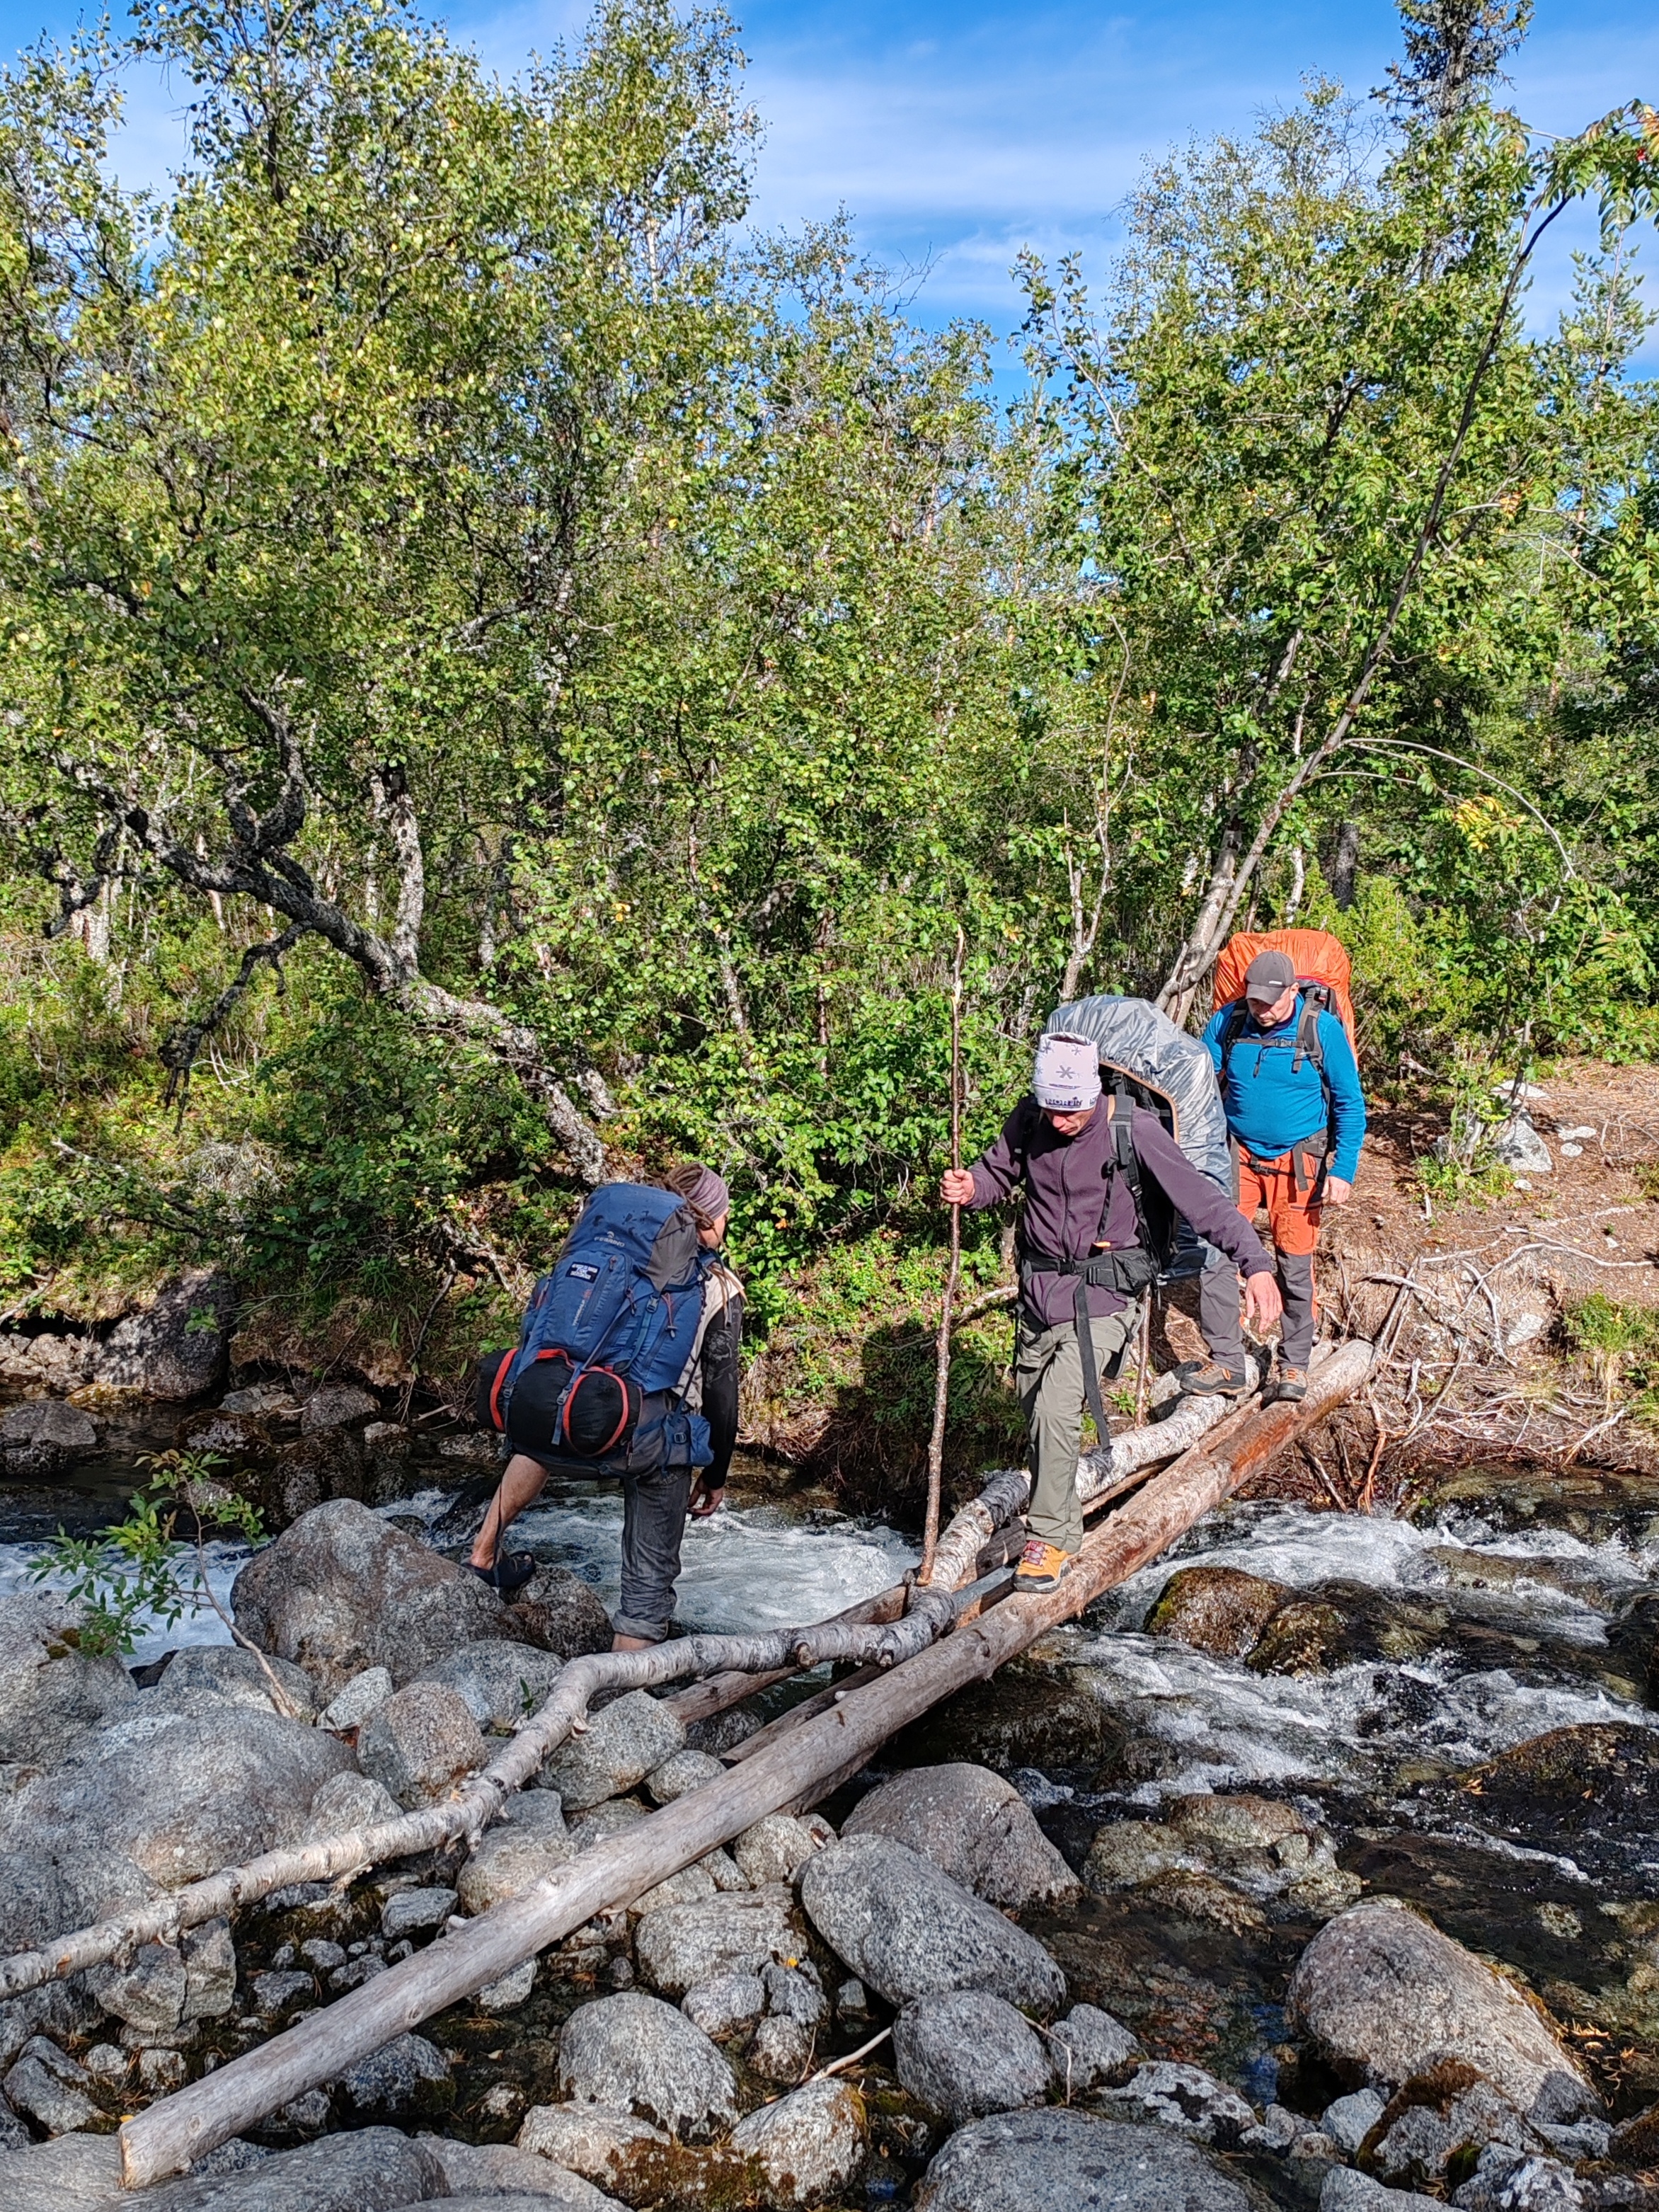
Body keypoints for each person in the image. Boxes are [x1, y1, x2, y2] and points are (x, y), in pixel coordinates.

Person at [942, 1033, 1282, 1592]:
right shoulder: (1031, 1118)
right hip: (1038, 1295)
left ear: (1093, 1094)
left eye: (1071, 1108)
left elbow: (1202, 1201)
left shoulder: (1133, 1129)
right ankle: (1064, 1522)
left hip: (1103, 1299)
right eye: (1052, 1106)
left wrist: (1257, 1262)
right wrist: (971, 1185)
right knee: (1037, 1416)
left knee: (1056, 1408)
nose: (1061, 1119)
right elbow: (998, 1173)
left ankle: (1048, 1542)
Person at [467, 1163, 744, 1650]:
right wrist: (716, 1474)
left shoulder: (601, 1254)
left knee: (551, 1426)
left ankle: (484, 1552)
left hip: (563, 1419)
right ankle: (622, 1692)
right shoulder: (719, 1286)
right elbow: (721, 1395)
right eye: (724, 1214)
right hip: (640, 1441)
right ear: (713, 1220)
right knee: (647, 1581)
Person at [1188, 948, 1367, 1404]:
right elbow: (1198, 1083)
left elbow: (1350, 1104)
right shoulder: (1228, 1022)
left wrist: (1342, 1168)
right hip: (1237, 1153)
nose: (1262, 1012)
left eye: (1271, 1002)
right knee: (1217, 1253)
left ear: (1293, 991)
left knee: (1294, 1262)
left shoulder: (1321, 1029)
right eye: (1255, 1002)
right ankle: (1227, 1362)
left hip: (1298, 1161)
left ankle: (1294, 1364)